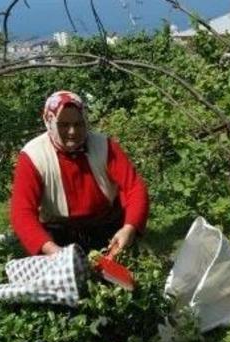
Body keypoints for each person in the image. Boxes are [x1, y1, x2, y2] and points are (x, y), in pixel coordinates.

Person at [10, 91, 149, 256]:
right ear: (50, 122)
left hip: (106, 227)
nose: (72, 132)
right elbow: (22, 211)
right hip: (59, 235)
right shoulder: (33, 156)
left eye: (78, 124)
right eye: (63, 125)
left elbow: (134, 187)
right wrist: (52, 251)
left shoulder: (105, 146)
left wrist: (129, 228)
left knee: (121, 277)